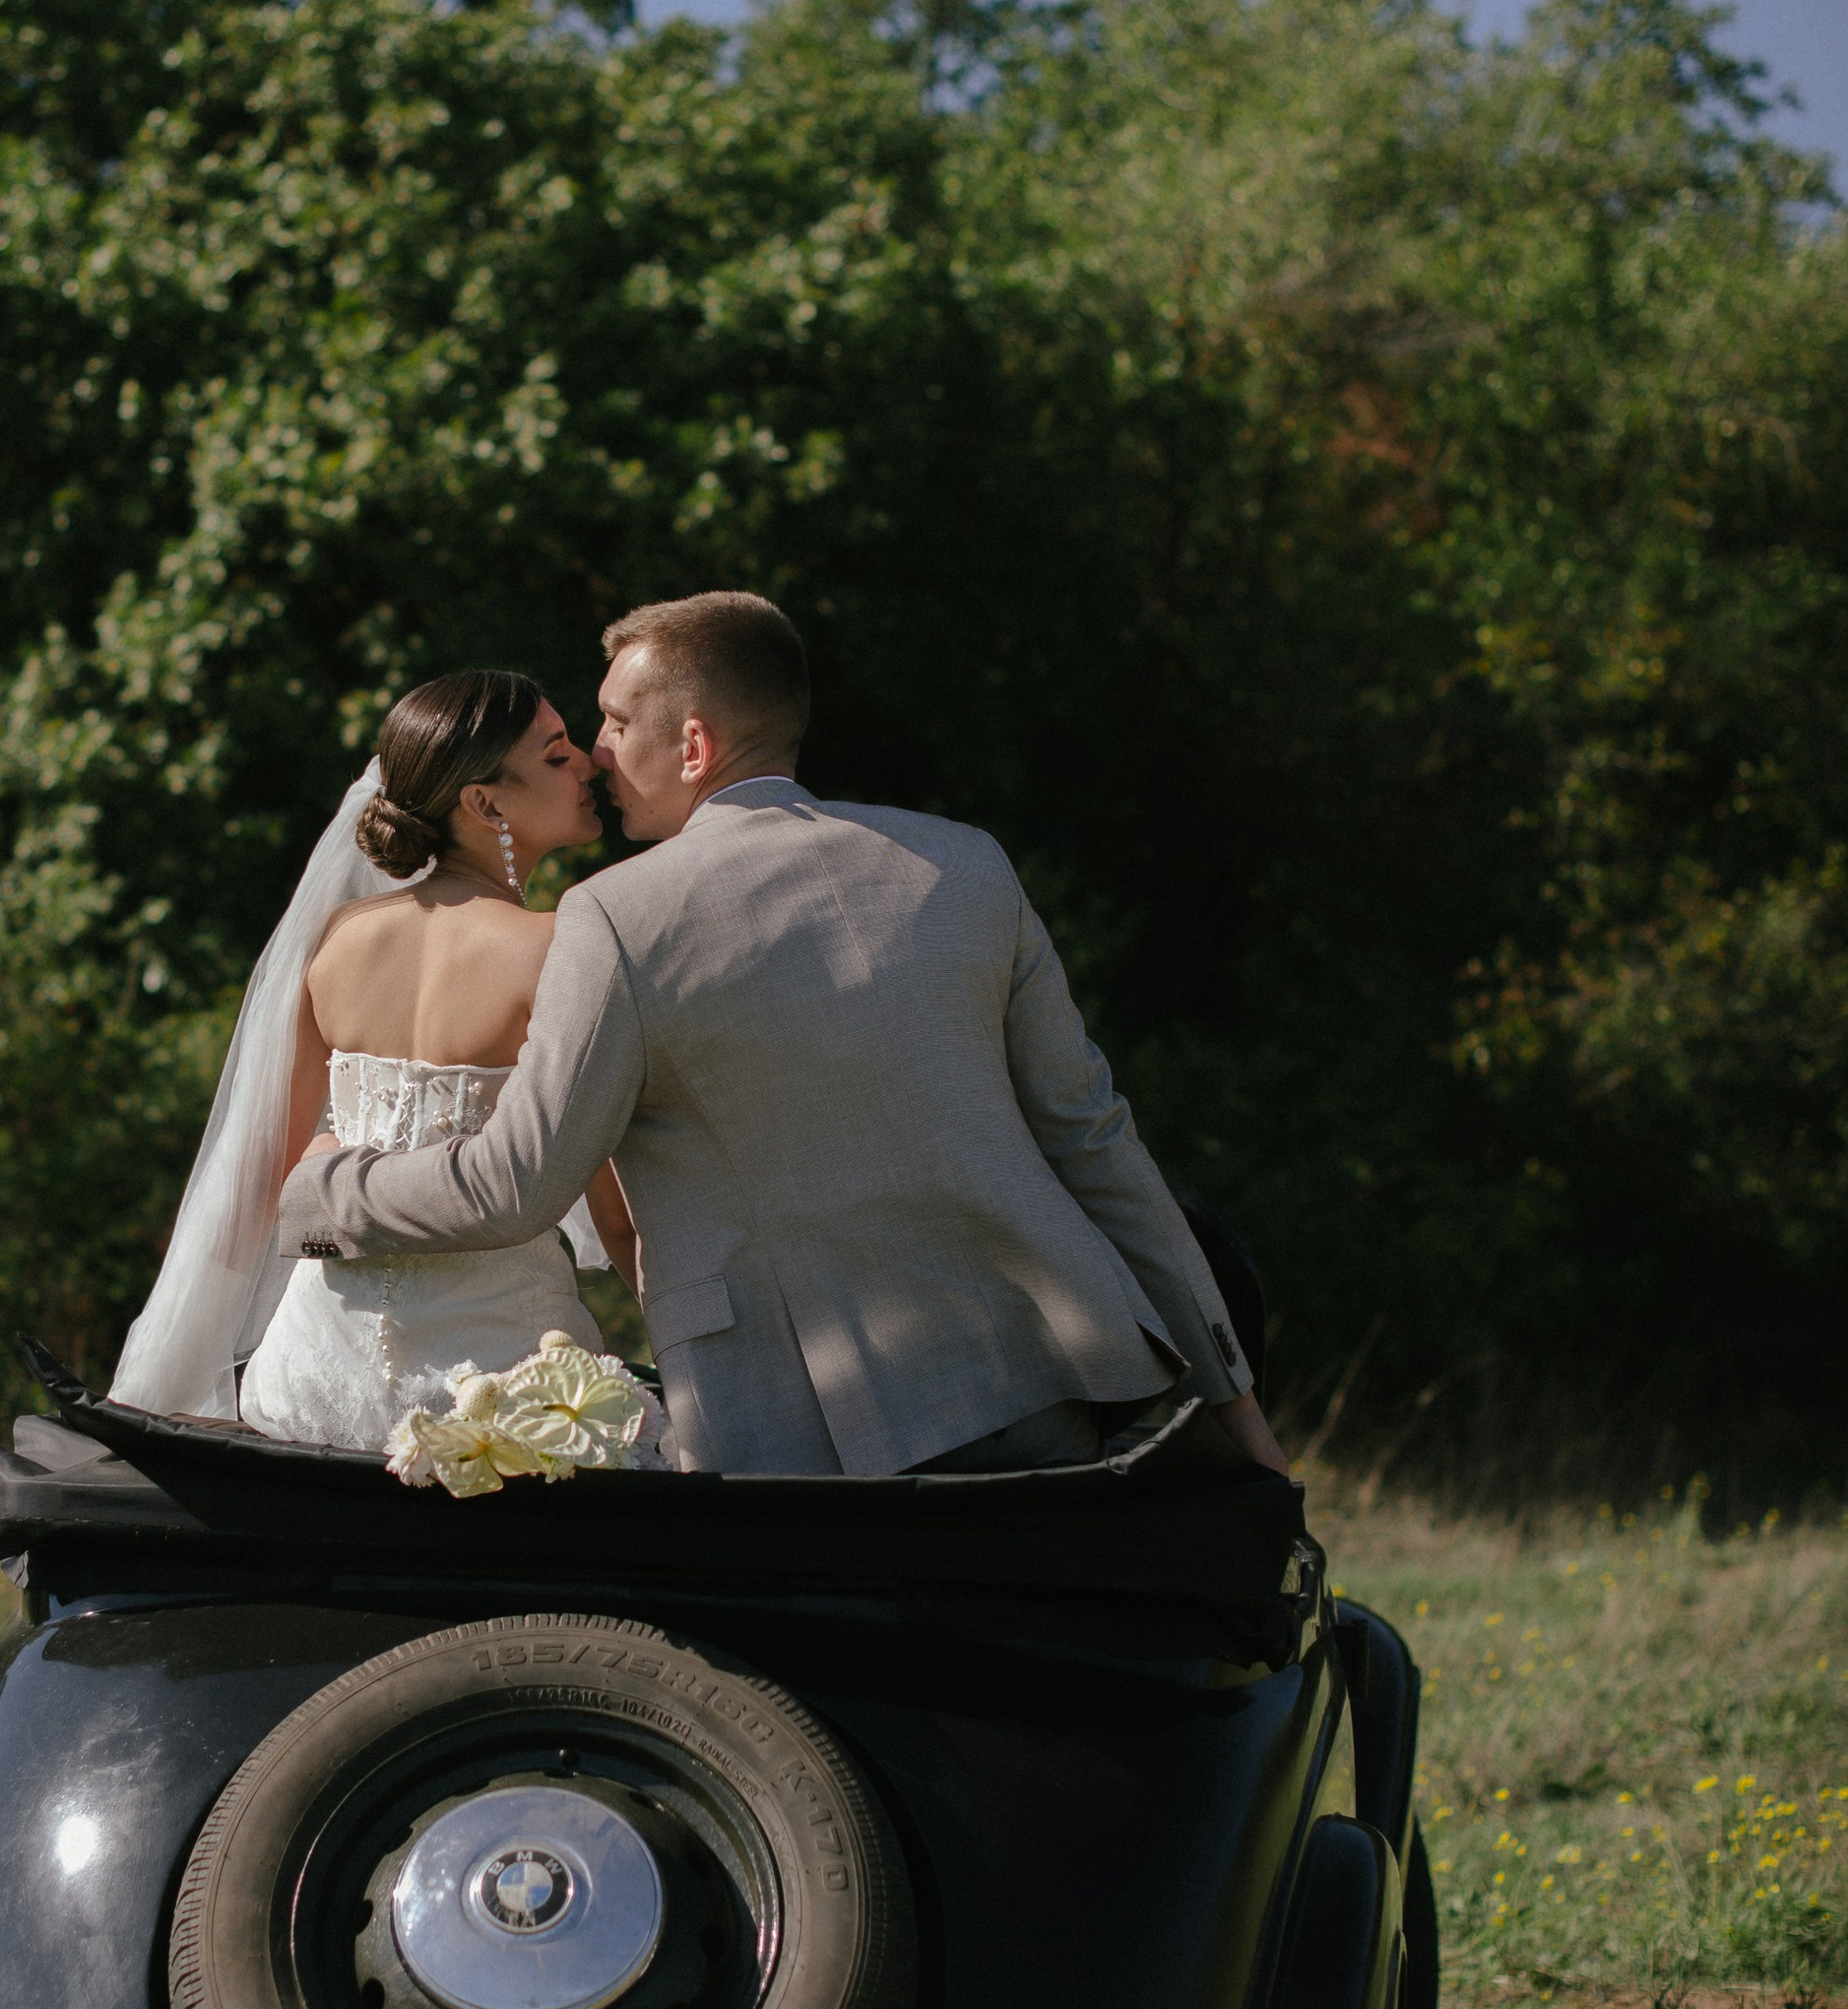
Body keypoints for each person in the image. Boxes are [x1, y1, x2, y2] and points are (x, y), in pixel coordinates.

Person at [287, 590, 1294, 1481]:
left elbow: (515, 1182)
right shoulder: (966, 865)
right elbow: (1092, 1137)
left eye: (614, 720)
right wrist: (1232, 1394)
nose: (596, 750)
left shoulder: (616, 918)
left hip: (797, 1425)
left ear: (692, 746)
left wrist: (325, 1188)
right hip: (1049, 1383)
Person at [111, 670, 643, 1451]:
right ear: (483, 802)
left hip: (316, 1376)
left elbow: (265, 1177)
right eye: (557, 754)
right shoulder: (557, 950)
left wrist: (182, 1354)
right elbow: (617, 1212)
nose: (588, 764)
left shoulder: (336, 940)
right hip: (499, 1382)